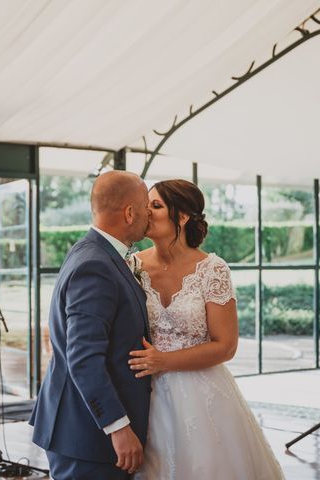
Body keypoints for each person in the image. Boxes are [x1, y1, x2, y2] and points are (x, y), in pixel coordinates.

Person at [129, 179, 284, 479]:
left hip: (203, 397)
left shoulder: (213, 269)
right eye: (146, 205)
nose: (146, 212)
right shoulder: (131, 265)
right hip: (144, 393)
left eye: (156, 206)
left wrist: (164, 361)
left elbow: (226, 345)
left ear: (183, 216)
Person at [30, 170, 152, 480]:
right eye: (146, 205)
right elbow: (83, 357)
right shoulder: (95, 265)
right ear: (129, 213)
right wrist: (118, 426)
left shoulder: (95, 252)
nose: (149, 213)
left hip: (86, 432)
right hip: (87, 435)